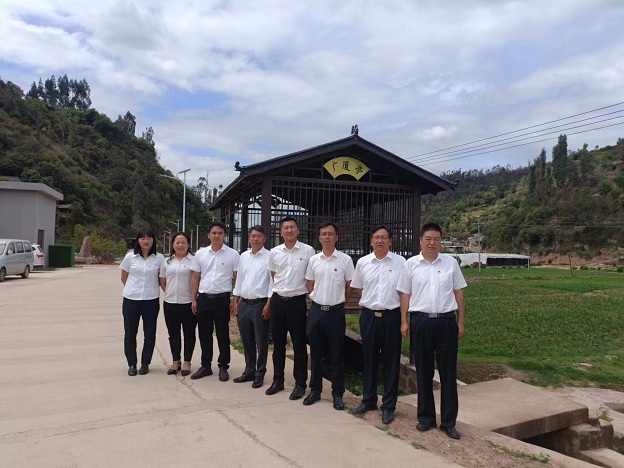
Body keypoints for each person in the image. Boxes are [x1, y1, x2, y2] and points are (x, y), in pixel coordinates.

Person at [396, 223, 467, 440]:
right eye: (428, 239)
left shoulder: (450, 263)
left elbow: (459, 293)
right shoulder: (410, 264)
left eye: (436, 239)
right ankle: (426, 418)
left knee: (448, 373)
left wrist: (460, 321)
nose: (432, 243)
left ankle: (448, 422)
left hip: (446, 322)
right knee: (424, 371)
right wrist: (404, 321)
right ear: (420, 240)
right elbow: (405, 294)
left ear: (441, 241)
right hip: (421, 322)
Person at [349, 226, 406, 424]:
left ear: (390, 241)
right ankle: (369, 400)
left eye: (384, 237)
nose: (380, 240)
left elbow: (405, 291)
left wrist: (403, 319)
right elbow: (357, 287)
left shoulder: (401, 262)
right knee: (369, 359)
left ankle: (388, 406)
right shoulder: (363, 262)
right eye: (376, 237)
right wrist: (371, 299)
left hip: (392, 317)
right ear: (371, 241)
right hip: (369, 316)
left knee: (391, 361)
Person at [304, 222, 354, 410]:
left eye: (330, 234)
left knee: (337, 354)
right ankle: (315, 390)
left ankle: (337, 393)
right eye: (324, 234)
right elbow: (309, 283)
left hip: (335, 313)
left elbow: (350, 285)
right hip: (316, 311)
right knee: (316, 353)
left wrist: (341, 301)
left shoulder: (345, 260)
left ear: (336, 237)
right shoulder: (314, 260)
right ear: (319, 238)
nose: (327, 237)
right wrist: (315, 295)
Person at [265, 217, 315, 400]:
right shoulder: (275, 252)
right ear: (281, 232)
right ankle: (277, 380)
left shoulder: (308, 251)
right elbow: (273, 275)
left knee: (299, 344)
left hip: (297, 302)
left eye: (292, 227)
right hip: (278, 301)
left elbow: (311, 276)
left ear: (298, 230)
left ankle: (300, 383)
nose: (289, 230)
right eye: (285, 228)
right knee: (278, 344)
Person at [190, 221, 239, 382]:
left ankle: (223, 366)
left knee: (223, 334)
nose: (217, 235)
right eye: (214, 233)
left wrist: (235, 298)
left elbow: (237, 278)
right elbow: (195, 277)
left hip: (222, 300)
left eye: (220, 233)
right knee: (204, 334)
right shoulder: (200, 254)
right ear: (209, 235)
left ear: (225, 235)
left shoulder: (233, 254)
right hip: (204, 299)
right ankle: (205, 366)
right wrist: (193, 299)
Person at [231, 225, 273, 389]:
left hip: (260, 304)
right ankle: (249, 370)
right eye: (253, 236)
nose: (256, 239)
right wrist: (236, 299)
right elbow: (240, 279)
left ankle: (260, 373)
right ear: (249, 238)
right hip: (245, 304)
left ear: (264, 238)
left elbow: (272, 282)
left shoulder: (270, 257)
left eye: (259, 236)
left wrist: (269, 303)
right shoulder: (244, 256)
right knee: (246, 339)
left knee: (261, 341)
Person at [120, 227, 164, 376]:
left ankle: (145, 363)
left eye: (149, 238)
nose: (146, 241)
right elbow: (124, 278)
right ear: (138, 240)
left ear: (153, 240)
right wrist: (133, 289)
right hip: (131, 300)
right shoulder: (130, 257)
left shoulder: (159, 258)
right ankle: (132, 364)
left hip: (151, 301)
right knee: (130, 333)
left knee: (149, 334)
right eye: (143, 238)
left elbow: (161, 279)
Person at [159, 232, 196, 376]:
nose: (180, 245)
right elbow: (162, 281)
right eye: (177, 242)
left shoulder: (194, 260)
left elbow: (197, 280)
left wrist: (194, 298)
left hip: (188, 303)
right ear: (173, 244)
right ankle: (176, 361)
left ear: (188, 244)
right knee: (173, 333)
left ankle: (187, 361)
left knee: (189, 333)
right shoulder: (167, 262)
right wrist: (170, 292)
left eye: (183, 242)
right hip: (170, 303)